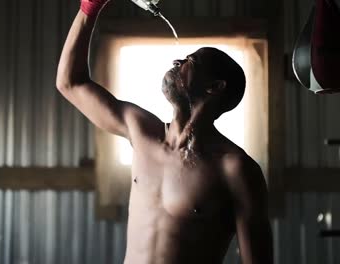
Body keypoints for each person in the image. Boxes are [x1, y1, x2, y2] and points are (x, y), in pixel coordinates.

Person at [56, 0, 273, 263]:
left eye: (189, 61)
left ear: (215, 87)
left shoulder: (235, 169)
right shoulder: (142, 132)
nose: (176, 61)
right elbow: (70, 83)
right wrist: (89, 8)